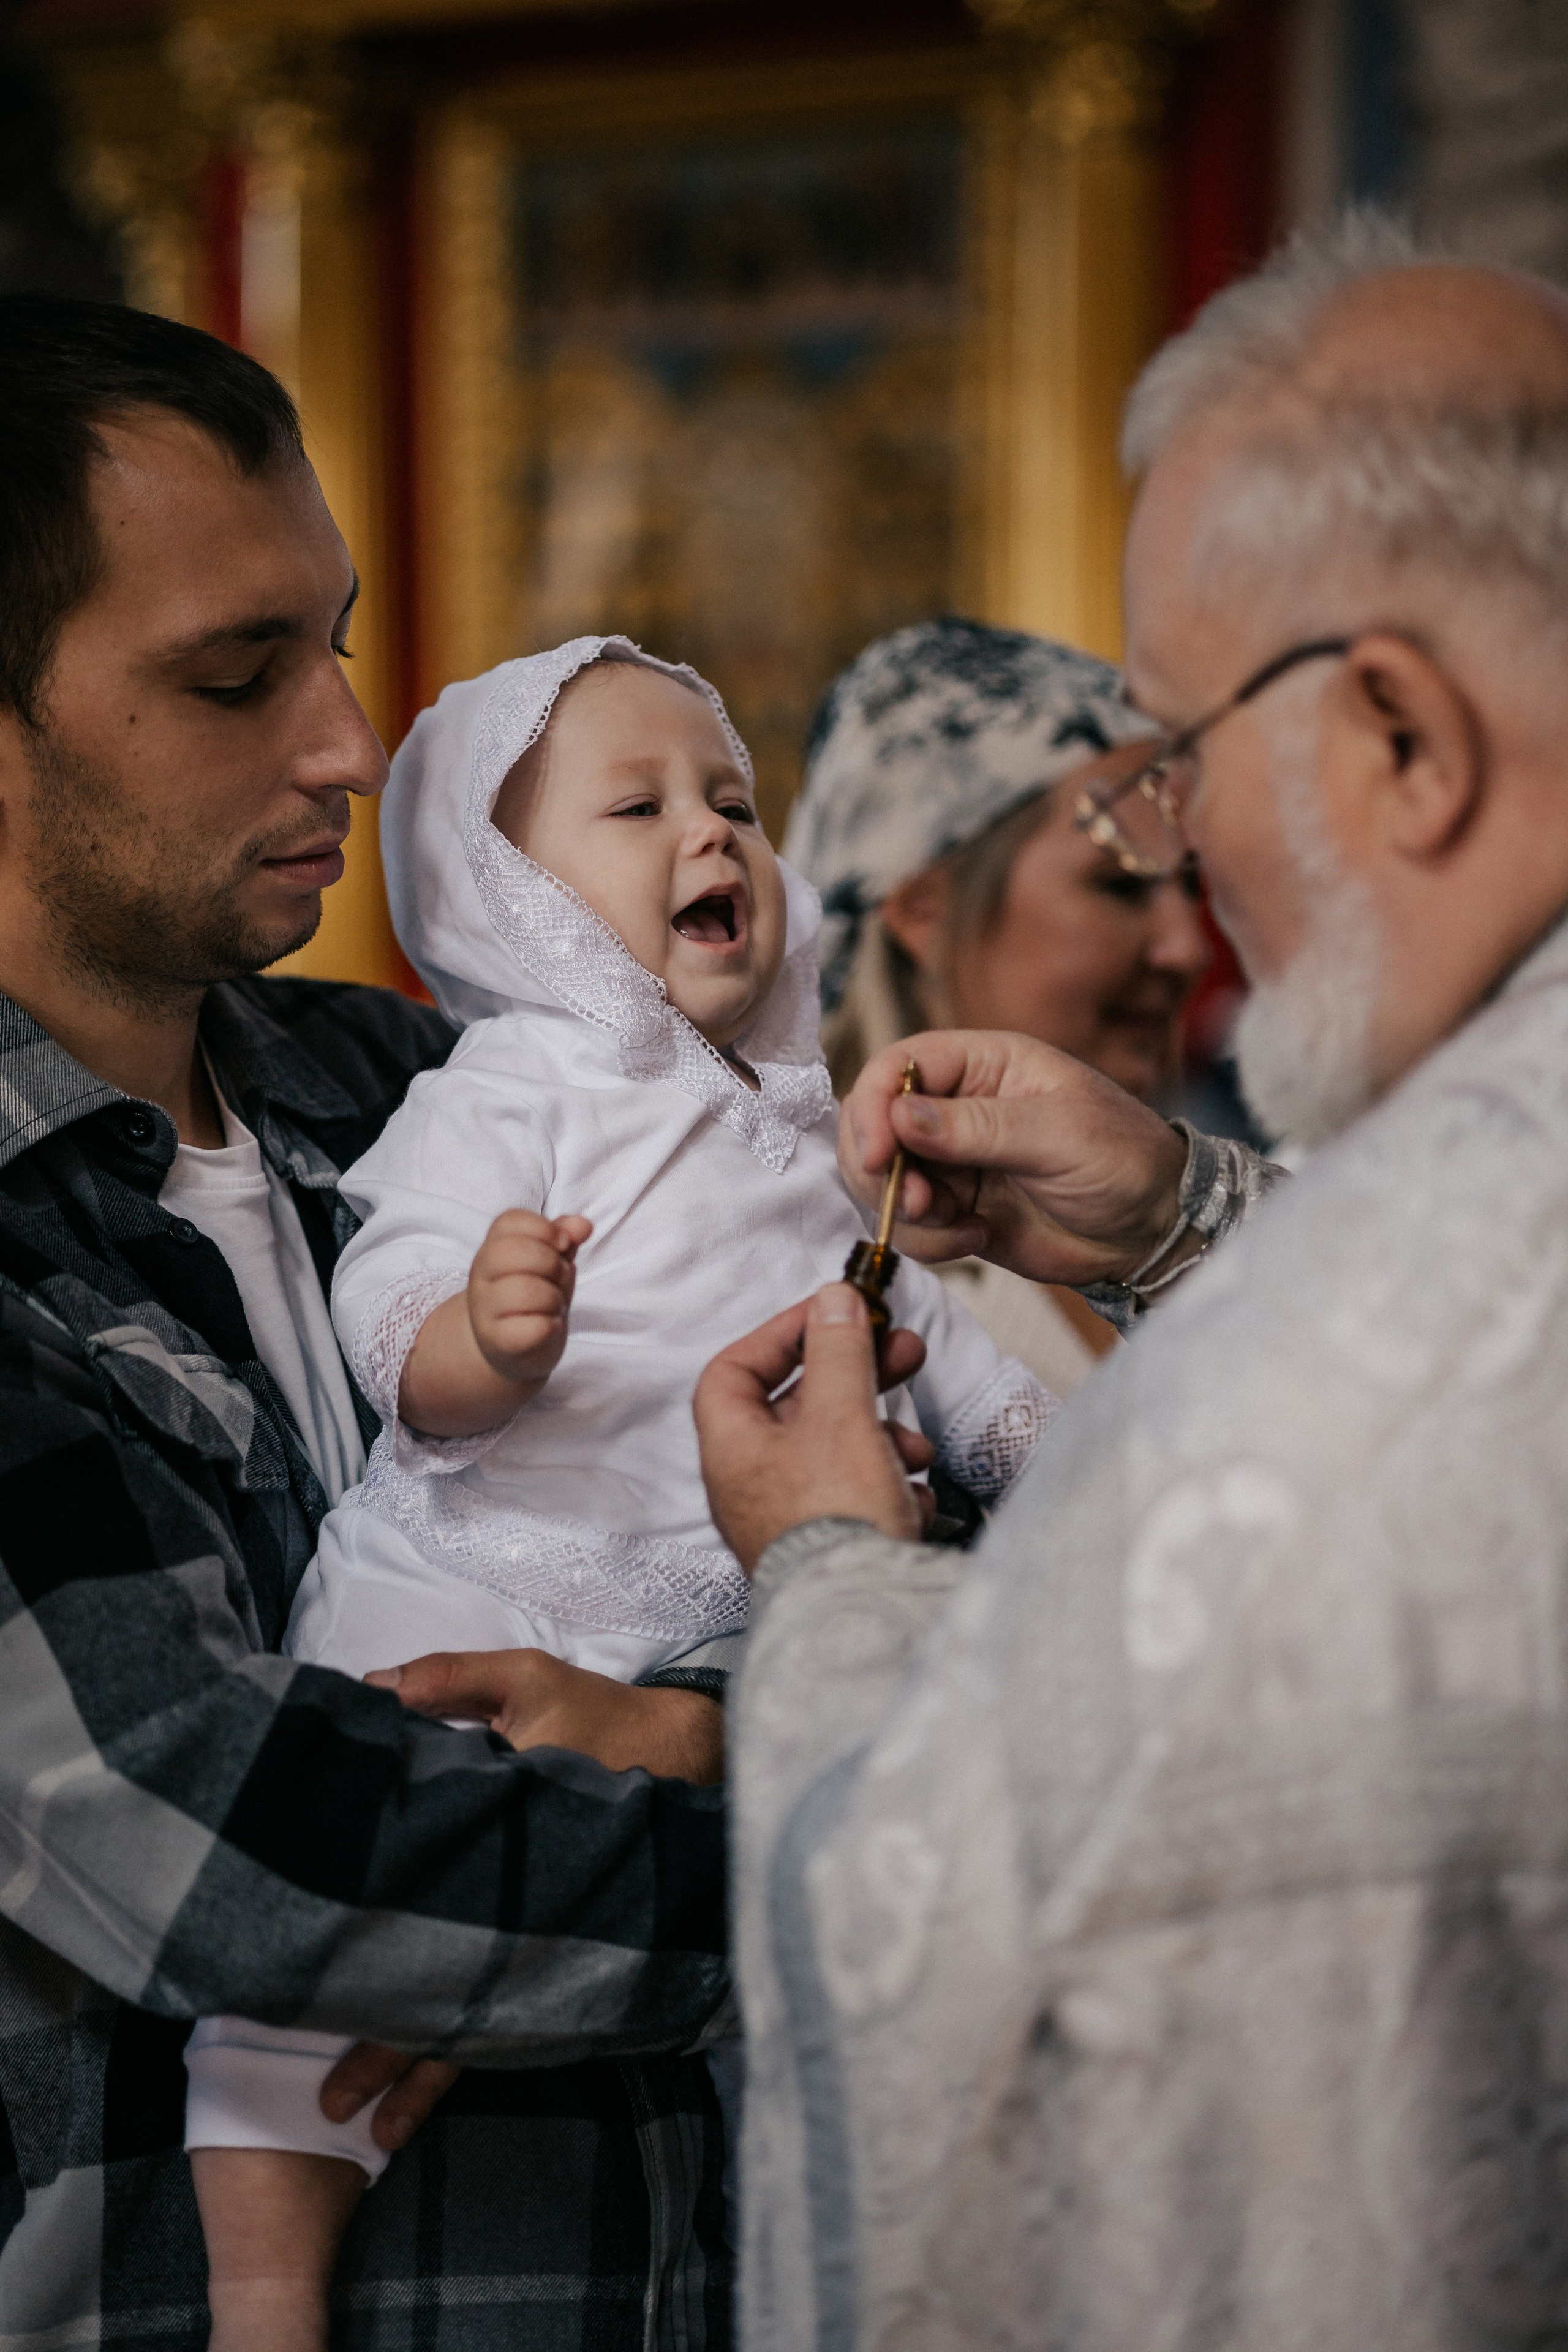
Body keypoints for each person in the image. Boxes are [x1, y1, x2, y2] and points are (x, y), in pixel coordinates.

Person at [693, 216, 1568, 2348]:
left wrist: (824, 1579)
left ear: (1399, 738)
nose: (1186, 869)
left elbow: (949, 1963)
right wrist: (1187, 1215)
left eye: (1179, 755)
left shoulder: (1311, 1403)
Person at [0, 296, 736, 2348]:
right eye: (238, 677)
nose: (347, 736)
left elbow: (841, 1484)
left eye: (328, 639)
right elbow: (217, 1829)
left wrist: (703, 1718)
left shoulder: (436, 1085)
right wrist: (848, 1835)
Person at [184, 636, 1053, 2338]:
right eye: (640, 806)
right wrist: (478, 1343)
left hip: (709, 1608)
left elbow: (901, 1315)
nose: (711, 836)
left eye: (733, 800)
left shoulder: (808, 1126)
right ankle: (266, 2301)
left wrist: (1034, 1440)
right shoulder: (508, 1084)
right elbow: (393, 1281)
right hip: (485, 1555)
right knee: (296, 1981)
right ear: (509, 895)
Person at [785, 617, 1210, 1394]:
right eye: (1119, 885)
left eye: (1192, 884)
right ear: (924, 909)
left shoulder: (1233, 1193)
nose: (1187, 948)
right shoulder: (812, 1268)